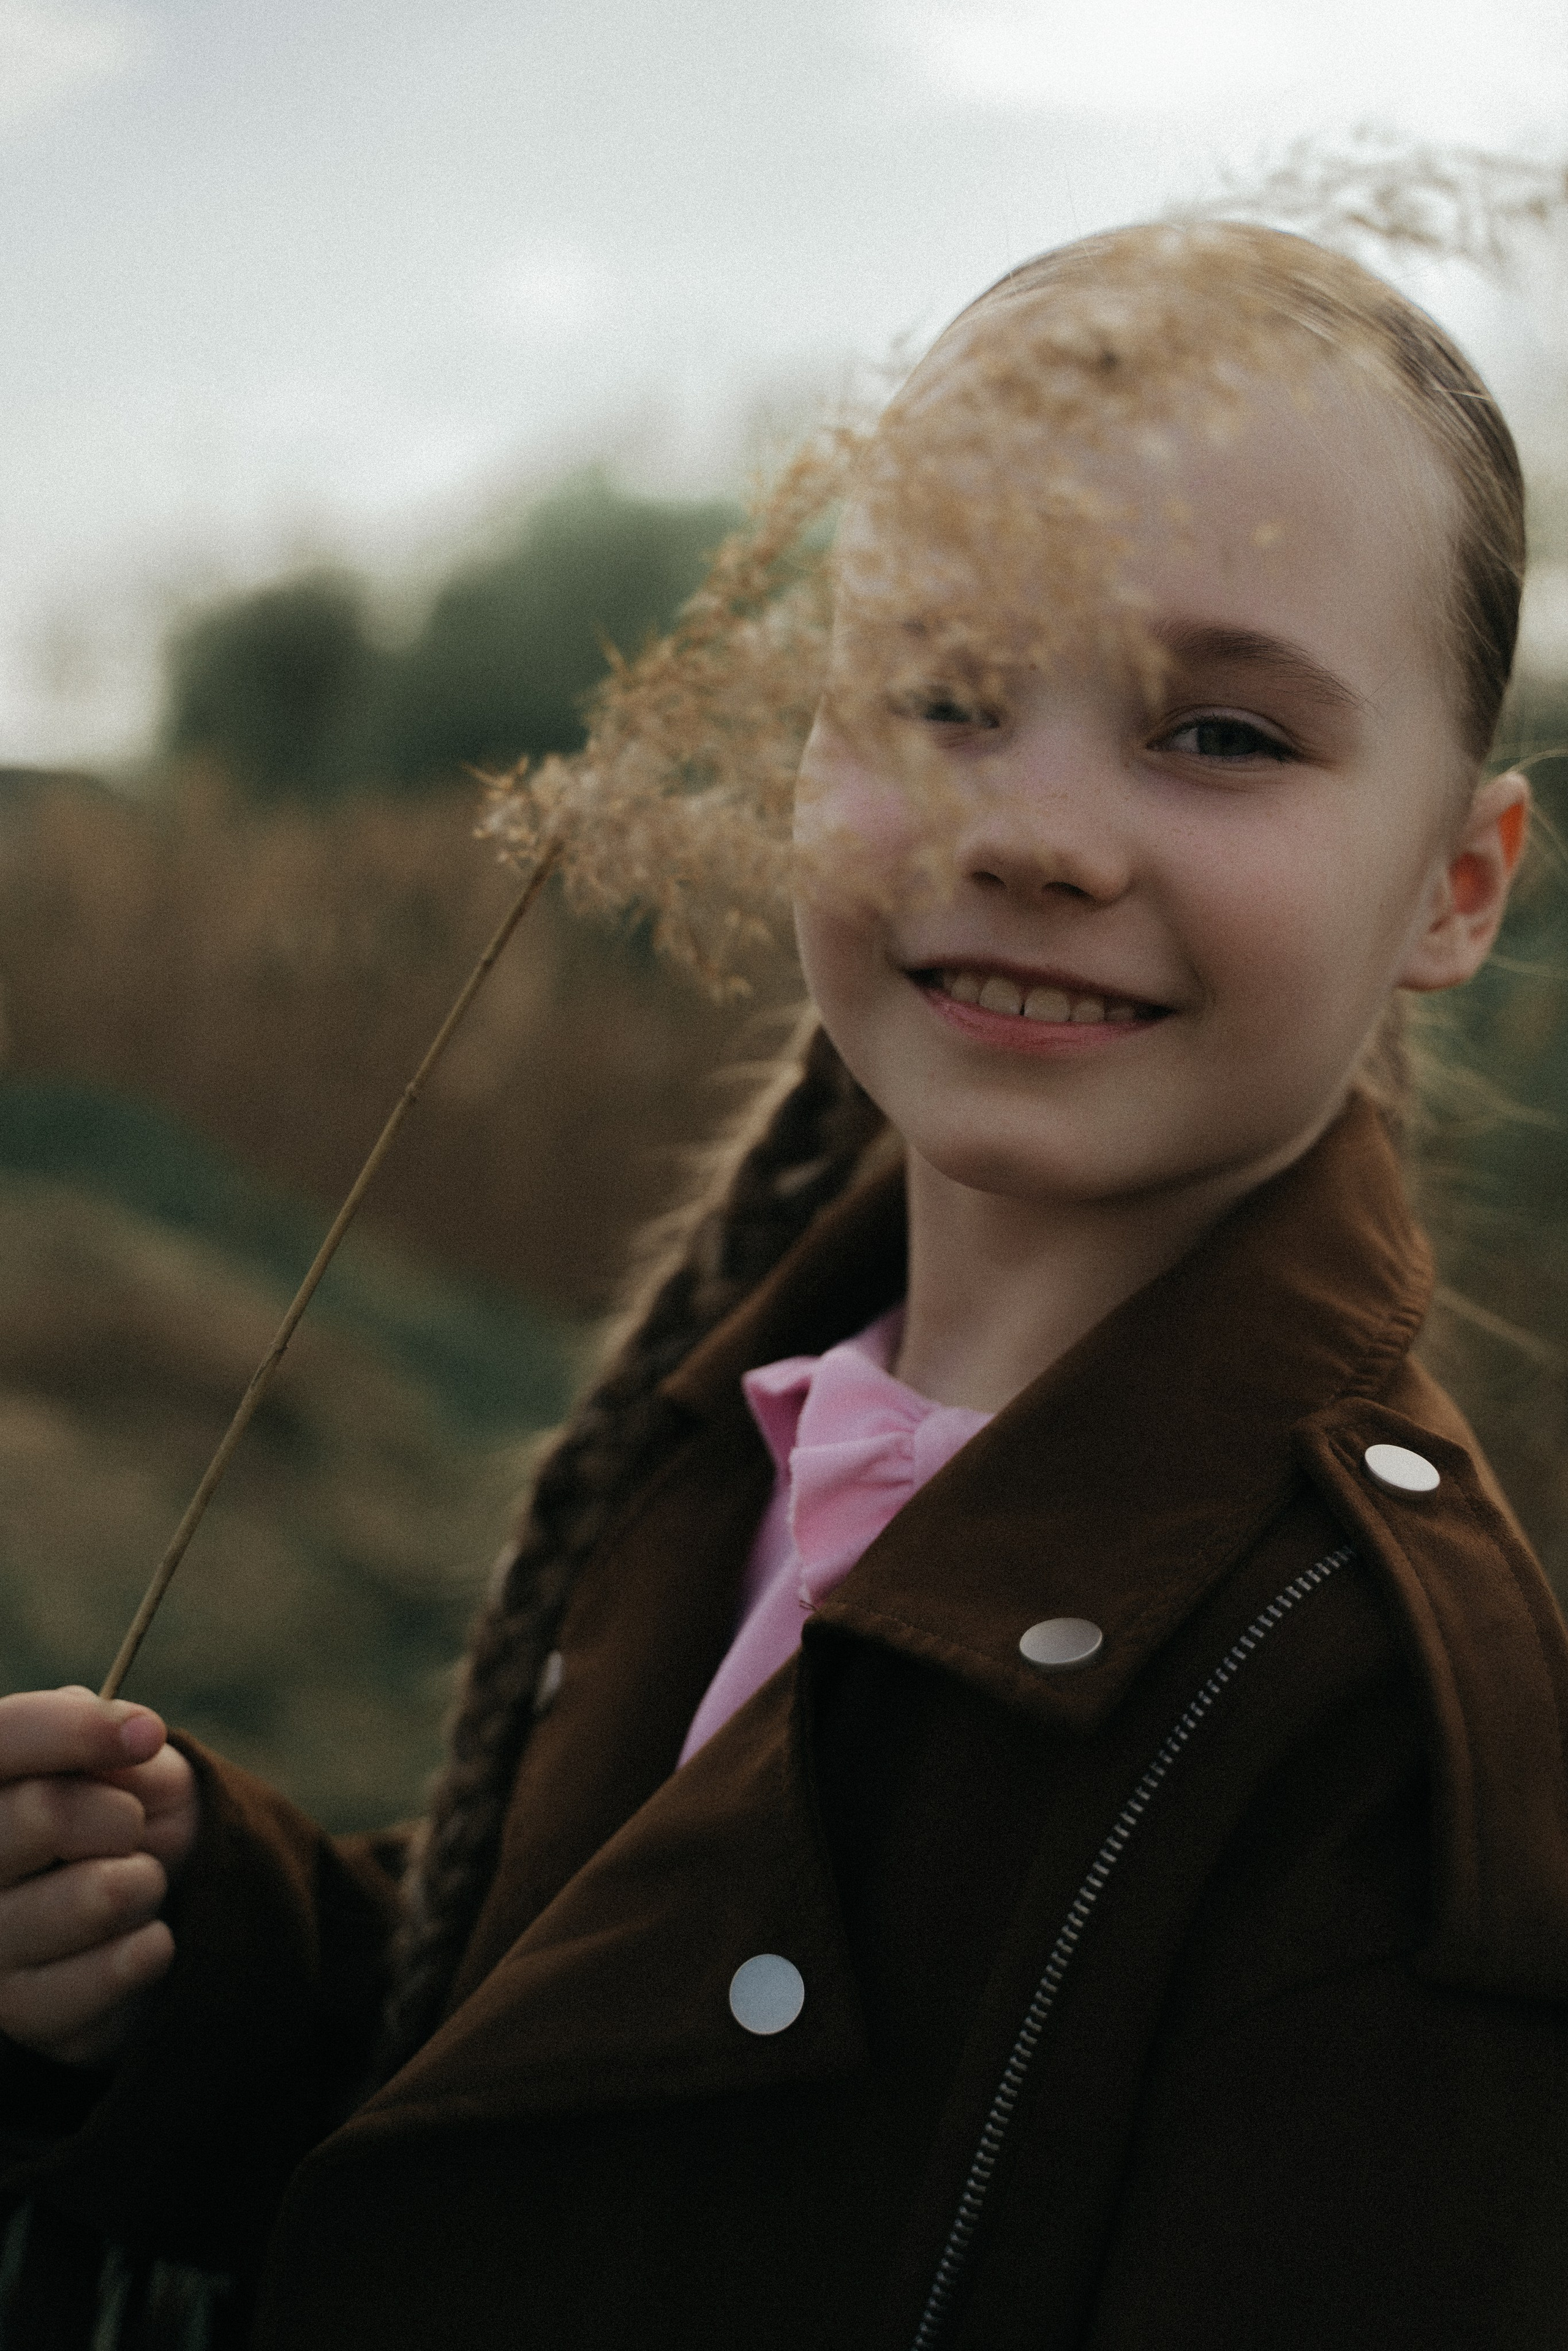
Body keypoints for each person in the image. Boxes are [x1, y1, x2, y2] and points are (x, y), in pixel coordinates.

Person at [1, 222, 1566, 2350]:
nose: (1033, 832)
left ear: (1455, 890)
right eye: (942, 694)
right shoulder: (768, 1407)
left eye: (1217, 734)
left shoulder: (1373, 1749)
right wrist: (205, 1950)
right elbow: (558, 2043)